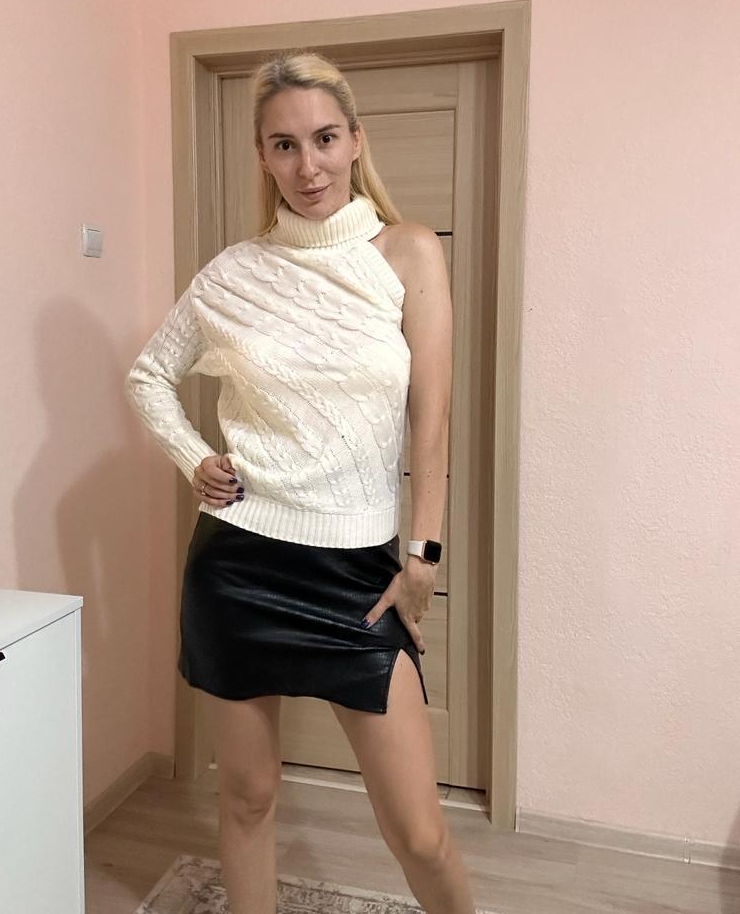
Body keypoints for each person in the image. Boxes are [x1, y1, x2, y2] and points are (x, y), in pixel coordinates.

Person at [125, 51, 477, 914]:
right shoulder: (233, 274)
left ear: (355, 140)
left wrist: (424, 556)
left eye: (323, 139)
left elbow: (431, 419)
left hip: (357, 575)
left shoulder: (408, 252)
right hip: (239, 566)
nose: (307, 165)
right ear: (263, 155)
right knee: (248, 800)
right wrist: (192, 456)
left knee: (420, 834)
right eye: (284, 145)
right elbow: (149, 374)